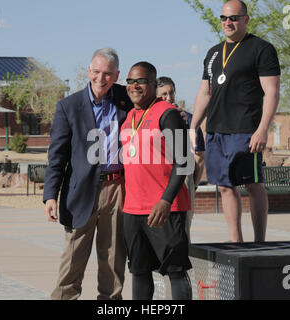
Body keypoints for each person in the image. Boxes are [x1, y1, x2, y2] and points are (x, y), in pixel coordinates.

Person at [43, 48, 132, 300]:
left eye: (107, 74)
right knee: (72, 260)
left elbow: (154, 108)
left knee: (114, 260)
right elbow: (57, 156)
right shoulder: (68, 107)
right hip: (80, 191)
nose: (100, 78)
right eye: (96, 72)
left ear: (116, 75)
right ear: (88, 70)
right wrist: (50, 195)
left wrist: (180, 115)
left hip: (117, 189)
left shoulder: (127, 98)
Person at [189, 0, 281, 243]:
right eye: (223, 18)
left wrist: (262, 129)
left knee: (252, 184)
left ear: (246, 19)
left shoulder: (261, 49)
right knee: (224, 186)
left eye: (234, 18)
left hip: (246, 130)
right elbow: (204, 93)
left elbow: (272, 92)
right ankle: (236, 243)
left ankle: (259, 241)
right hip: (216, 131)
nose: (227, 22)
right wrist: (194, 124)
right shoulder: (213, 53)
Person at [120, 62, 193, 300]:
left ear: (153, 83)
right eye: (130, 81)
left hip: (165, 209)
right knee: (139, 272)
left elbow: (184, 163)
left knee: (176, 272)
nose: (134, 86)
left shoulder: (168, 114)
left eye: (140, 81)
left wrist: (165, 200)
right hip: (133, 209)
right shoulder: (129, 116)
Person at [156, 76, 206, 241]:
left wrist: (194, 184)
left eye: (171, 93)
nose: (168, 97)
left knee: (183, 227)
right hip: (157, 178)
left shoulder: (190, 120)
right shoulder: (152, 119)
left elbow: (199, 156)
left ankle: (184, 262)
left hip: (183, 178)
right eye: (163, 94)